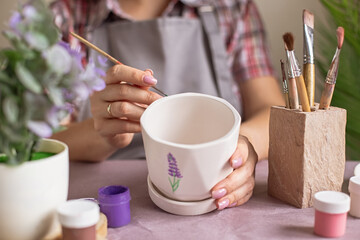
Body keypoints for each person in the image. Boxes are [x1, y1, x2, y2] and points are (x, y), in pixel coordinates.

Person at [50, 0, 284, 210]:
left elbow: (274, 114)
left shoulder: (231, 7)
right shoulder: (66, 16)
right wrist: (107, 132)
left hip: (217, 190)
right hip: (113, 201)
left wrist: (240, 145)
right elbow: (48, 140)